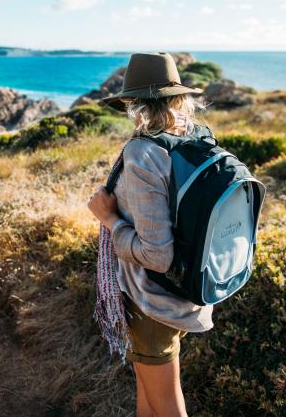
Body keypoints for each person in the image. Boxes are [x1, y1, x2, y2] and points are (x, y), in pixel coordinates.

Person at [88, 53, 212, 417]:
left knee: (168, 405)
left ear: (136, 104)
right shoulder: (194, 141)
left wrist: (109, 219)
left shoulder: (143, 153)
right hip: (183, 292)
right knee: (149, 392)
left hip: (152, 302)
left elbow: (157, 255)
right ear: (178, 99)